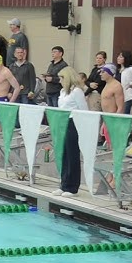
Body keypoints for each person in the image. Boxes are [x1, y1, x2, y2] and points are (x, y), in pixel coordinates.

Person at [52, 66, 88, 198]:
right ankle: (64, 184)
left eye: (62, 78)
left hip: (73, 123)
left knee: (72, 154)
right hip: (62, 122)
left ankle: (72, 187)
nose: (60, 80)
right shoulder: (63, 91)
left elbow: (84, 109)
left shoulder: (77, 91)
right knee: (64, 154)